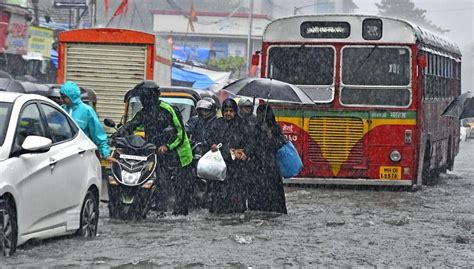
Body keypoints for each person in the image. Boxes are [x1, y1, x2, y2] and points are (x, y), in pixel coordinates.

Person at [116, 80, 193, 216]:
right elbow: (131, 125)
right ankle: (158, 211)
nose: (142, 100)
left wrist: (168, 146)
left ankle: (179, 217)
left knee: (181, 192)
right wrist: (116, 135)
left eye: (144, 97)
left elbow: (181, 134)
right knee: (160, 181)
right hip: (156, 151)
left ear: (151, 97)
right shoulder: (144, 112)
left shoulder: (168, 110)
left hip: (180, 154)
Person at [208, 98, 249, 214]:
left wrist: (244, 152)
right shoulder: (217, 123)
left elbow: (249, 142)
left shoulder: (242, 124)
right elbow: (209, 139)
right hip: (220, 166)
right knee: (219, 193)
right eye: (225, 111)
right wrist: (213, 145)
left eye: (231, 111)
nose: (228, 114)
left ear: (235, 111)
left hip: (237, 168)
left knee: (236, 194)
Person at [247, 103, 287, 214]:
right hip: (257, 168)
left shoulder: (275, 129)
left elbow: (279, 145)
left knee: (273, 198)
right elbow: (251, 147)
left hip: (271, 168)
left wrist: (269, 134)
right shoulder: (254, 128)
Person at [60, 81, 114, 162]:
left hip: (82, 155)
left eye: (64, 97)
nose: (62, 99)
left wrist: (105, 153)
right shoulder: (62, 109)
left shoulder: (87, 111)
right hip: (64, 155)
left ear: (71, 96)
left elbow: (98, 134)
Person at [187, 99, 219, 208]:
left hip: (211, 153)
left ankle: (211, 197)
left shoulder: (217, 122)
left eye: (205, 111)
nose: (203, 113)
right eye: (200, 111)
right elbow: (186, 130)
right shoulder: (194, 120)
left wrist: (214, 144)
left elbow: (221, 136)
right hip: (194, 150)